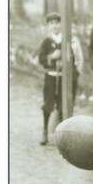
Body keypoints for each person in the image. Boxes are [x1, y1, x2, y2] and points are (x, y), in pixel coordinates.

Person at [38, 12, 63, 145]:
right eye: (51, 23)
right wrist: (52, 57)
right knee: (48, 104)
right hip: (50, 77)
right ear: (48, 26)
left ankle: (63, 135)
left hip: (63, 78)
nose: (55, 26)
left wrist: (65, 61)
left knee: (62, 105)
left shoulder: (66, 40)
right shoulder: (47, 42)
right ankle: (45, 131)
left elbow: (73, 58)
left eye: (57, 23)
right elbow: (41, 59)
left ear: (61, 24)